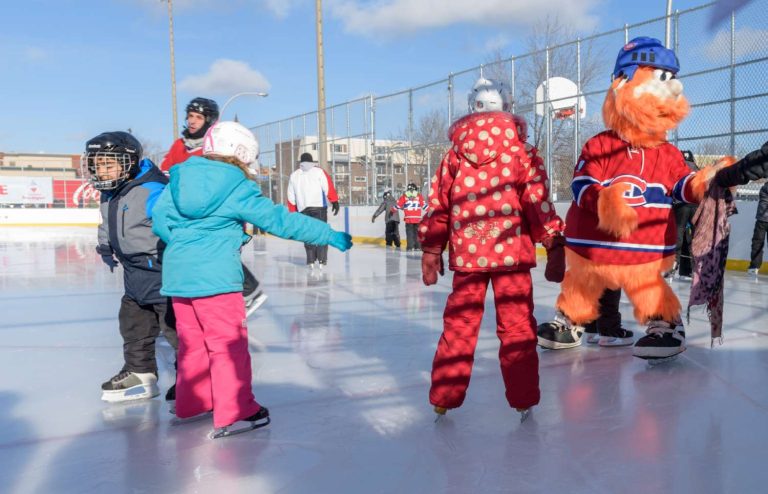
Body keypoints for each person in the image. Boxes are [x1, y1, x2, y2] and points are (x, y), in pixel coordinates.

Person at [151, 121, 352, 438]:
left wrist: (184, 244)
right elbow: (278, 221)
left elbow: (160, 221)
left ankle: (192, 403)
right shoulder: (234, 185)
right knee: (227, 347)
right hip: (217, 278)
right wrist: (326, 233)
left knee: (192, 345)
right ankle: (237, 410)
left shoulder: (179, 178)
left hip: (178, 276)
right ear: (240, 155)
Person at [419, 77, 566, 421]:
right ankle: (523, 397)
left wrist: (431, 246)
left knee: (460, 324)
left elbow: (438, 203)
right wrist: (552, 240)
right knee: (516, 327)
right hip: (510, 255)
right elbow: (536, 200)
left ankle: (444, 397)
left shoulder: (454, 154)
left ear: (471, 110)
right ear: (508, 110)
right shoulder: (522, 151)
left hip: (468, 256)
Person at [82, 131, 177, 403]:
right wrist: (105, 245)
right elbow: (106, 223)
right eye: (97, 164)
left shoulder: (154, 190)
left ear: (129, 162)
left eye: (108, 164)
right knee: (133, 325)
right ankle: (140, 372)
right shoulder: (109, 190)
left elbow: (176, 226)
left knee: (174, 328)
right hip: (133, 272)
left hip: (160, 271)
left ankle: (192, 377)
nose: (102, 170)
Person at [160, 97, 266, 317]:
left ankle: (247, 291)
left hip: (216, 210)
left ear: (209, 120)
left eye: (198, 117)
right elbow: (166, 170)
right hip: (187, 210)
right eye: (190, 116)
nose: (192, 121)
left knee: (220, 255)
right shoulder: (179, 146)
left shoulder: (215, 148)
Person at [287, 152, 341, 269]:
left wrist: (292, 212)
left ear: (301, 162)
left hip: (303, 210)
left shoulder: (294, 175)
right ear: (311, 161)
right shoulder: (318, 171)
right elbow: (328, 186)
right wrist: (335, 201)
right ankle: (322, 259)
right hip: (319, 208)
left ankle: (311, 259)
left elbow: (291, 197)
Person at [669, 150, 699, 279]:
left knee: (678, 232)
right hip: (696, 204)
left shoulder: (678, 167)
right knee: (695, 234)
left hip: (680, 204)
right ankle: (695, 267)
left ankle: (673, 264)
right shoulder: (697, 169)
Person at [396, 182, 427, 251]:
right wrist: (430, 210)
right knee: (417, 233)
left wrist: (393, 209)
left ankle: (410, 247)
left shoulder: (405, 196)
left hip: (408, 219)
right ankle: (418, 246)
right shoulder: (419, 196)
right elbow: (424, 205)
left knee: (409, 233)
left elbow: (398, 205)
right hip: (417, 219)